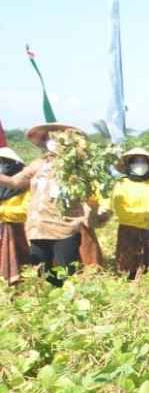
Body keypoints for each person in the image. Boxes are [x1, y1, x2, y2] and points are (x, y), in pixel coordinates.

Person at [0, 123, 108, 286]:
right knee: (41, 275)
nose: (52, 142)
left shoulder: (76, 167)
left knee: (67, 275)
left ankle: (70, 307)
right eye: (48, 139)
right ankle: (46, 306)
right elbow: (15, 182)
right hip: (38, 229)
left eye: (57, 138)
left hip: (64, 229)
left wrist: (101, 212)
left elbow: (89, 194)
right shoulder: (38, 164)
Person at [110, 147, 149, 279]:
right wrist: (145, 216)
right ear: (129, 165)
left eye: (143, 162)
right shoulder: (121, 184)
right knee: (129, 267)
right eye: (136, 162)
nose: (140, 165)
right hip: (130, 231)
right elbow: (122, 211)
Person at [0, 147, 31, 284]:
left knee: (19, 266)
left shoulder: (25, 188)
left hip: (14, 232)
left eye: (5, 162)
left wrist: (1, 212)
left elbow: (24, 212)